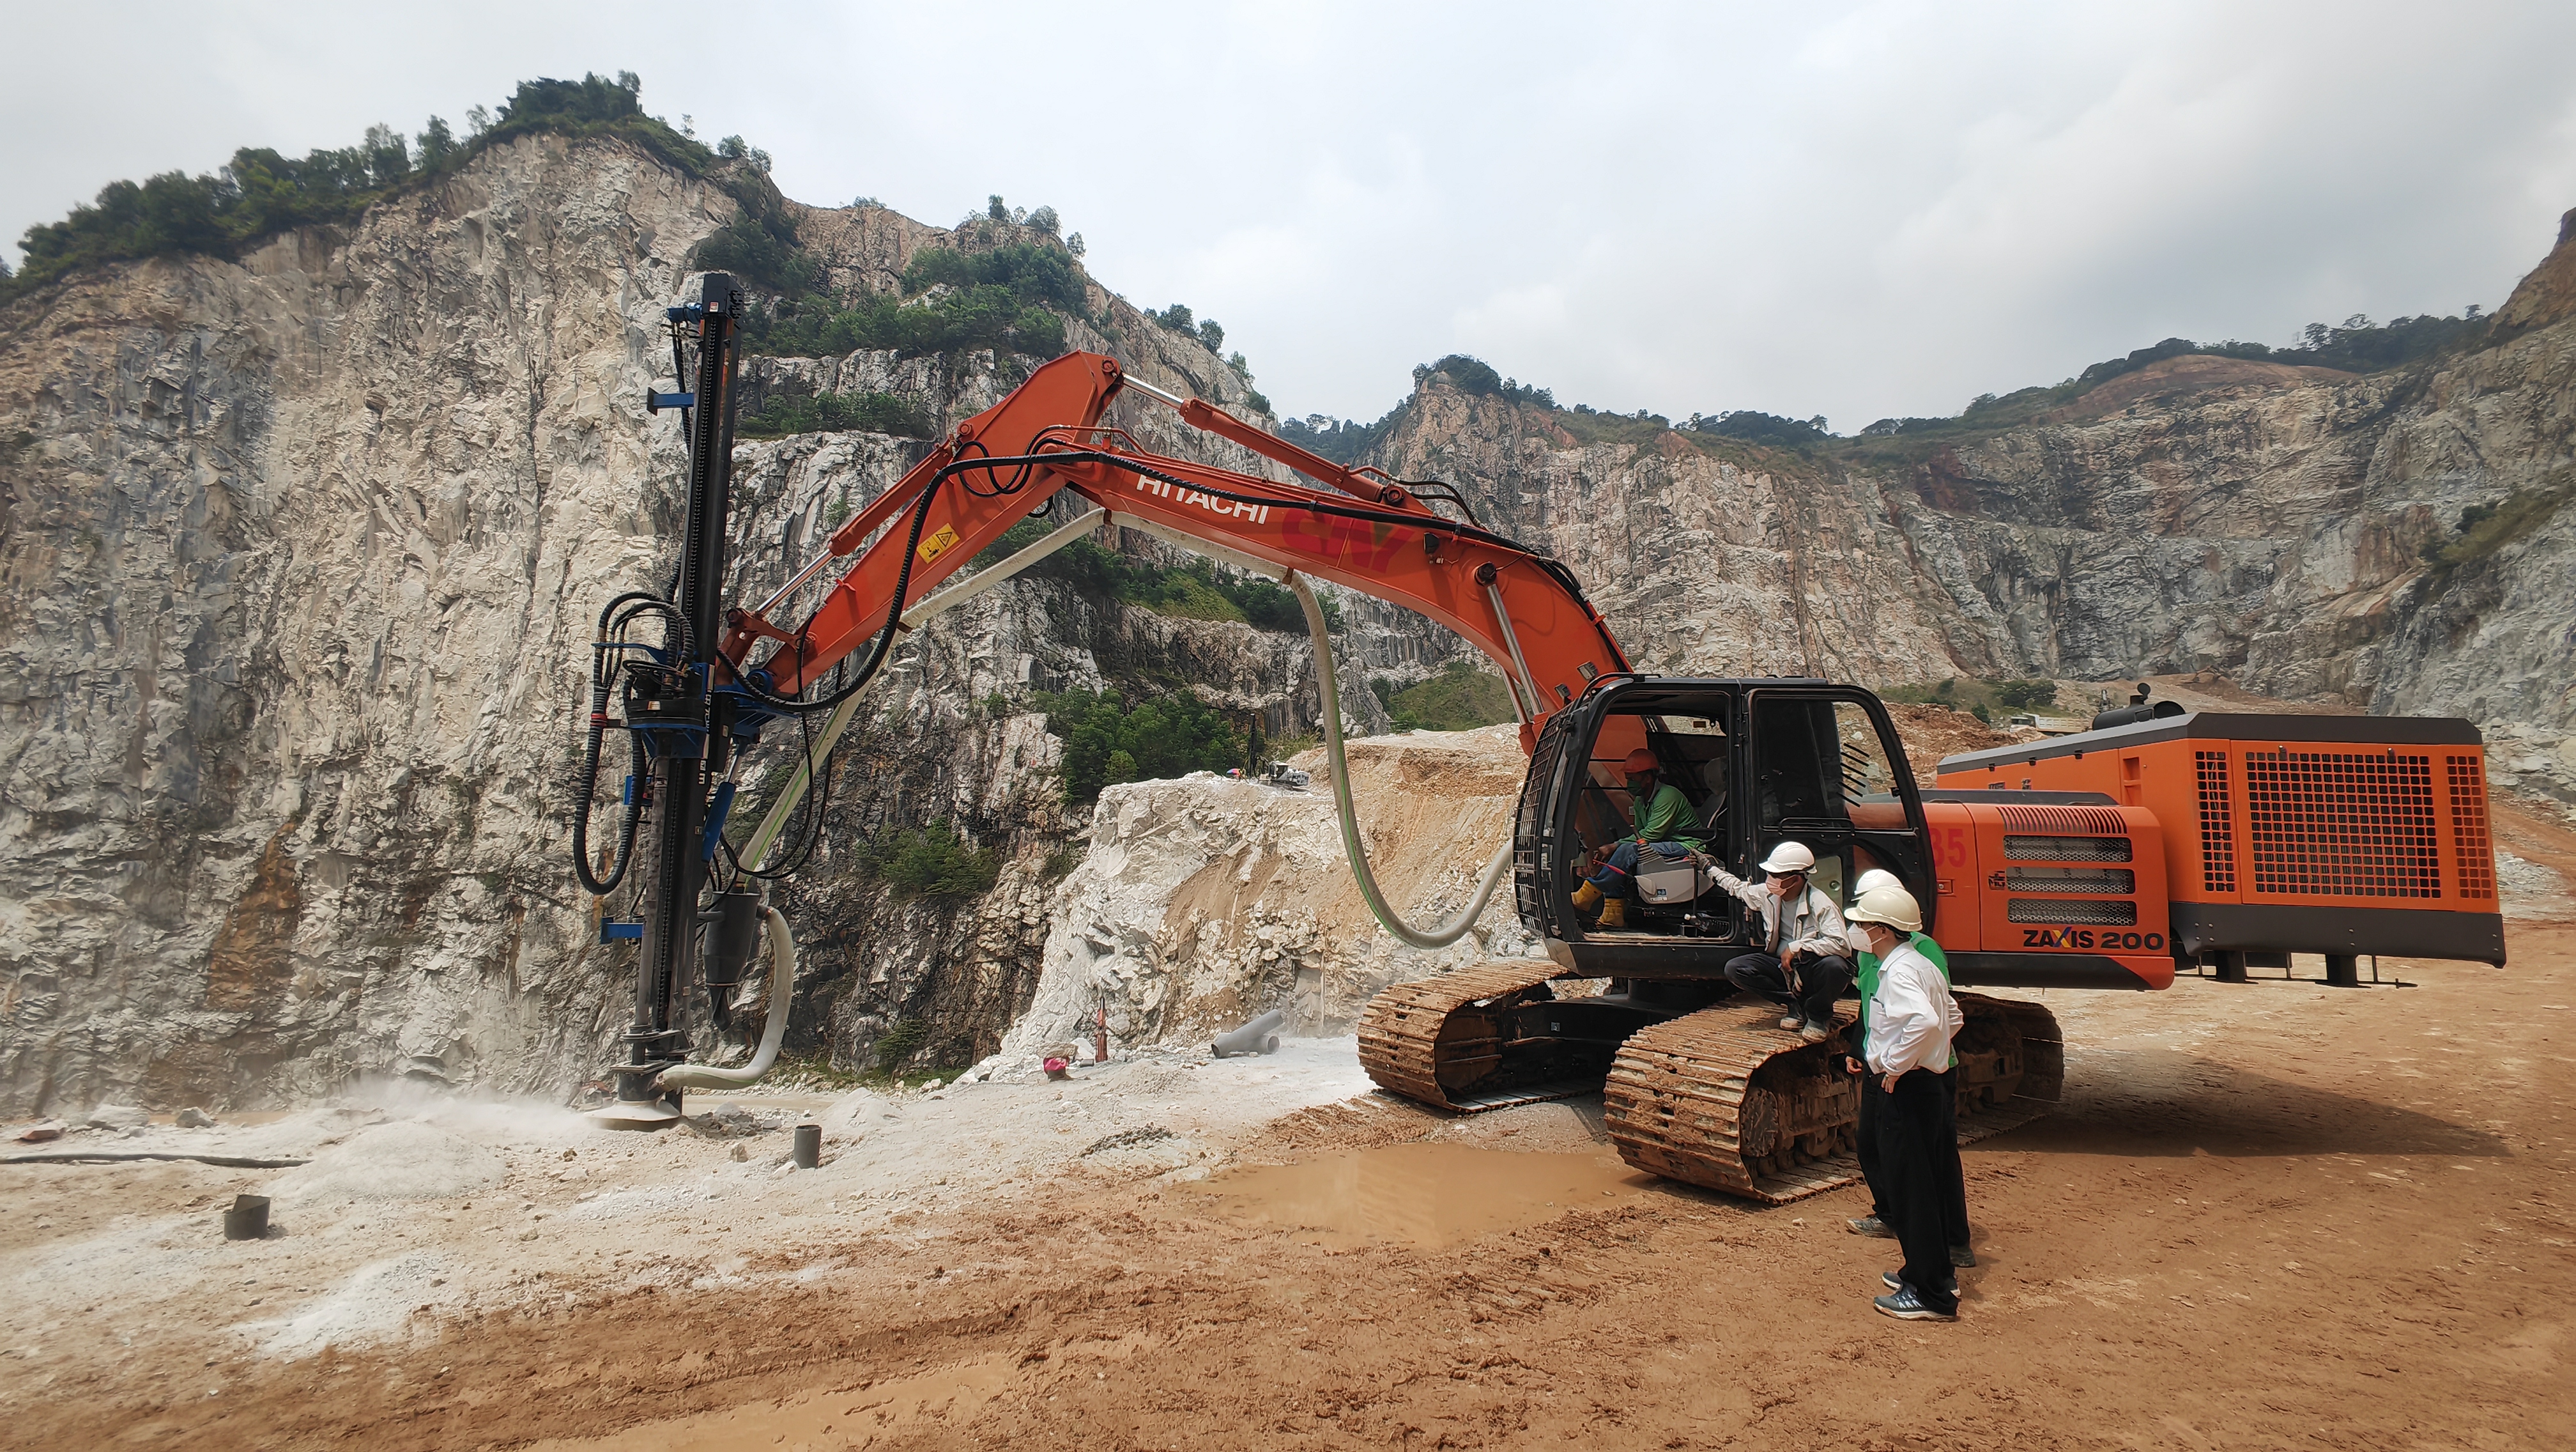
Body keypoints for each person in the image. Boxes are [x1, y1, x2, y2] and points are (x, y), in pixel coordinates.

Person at [1841, 869, 1973, 1269]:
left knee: (1933, 1158)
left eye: (1864, 921)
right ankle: (1894, 1216)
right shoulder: (1873, 954)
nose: (1858, 928)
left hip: (1919, 1070)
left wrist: (1900, 1062)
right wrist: (1860, 1047)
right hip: (1890, 1064)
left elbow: (1935, 1014)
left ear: (1884, 923)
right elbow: (1873, 1005)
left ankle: (1951, 1243)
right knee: (1875, 1145)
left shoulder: (1918, 955)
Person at [1709, 842, 1851, 1041]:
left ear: (1796, 879)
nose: (1770, 880)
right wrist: (1709, 869)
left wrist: (1797, 947)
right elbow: (1738, 889)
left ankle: (1819, 1016)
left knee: (1836, 966)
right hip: (1782, 968)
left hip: (1808, 968)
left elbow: (1841, 944)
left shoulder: (1821, 904)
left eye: (1776, 876)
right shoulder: (1768, 895)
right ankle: (1794, 1004)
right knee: (1736, 968)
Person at [1569, 748, 1705, 931]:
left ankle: (1587, 896)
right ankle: (1613, 915)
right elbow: (1641, 834)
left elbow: (1650, 835)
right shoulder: (1641, 802)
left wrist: (1614, 846)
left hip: (1686, 846)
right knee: (1621, 852)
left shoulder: (1668, 796)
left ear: (1648, 778)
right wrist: (1615, 848)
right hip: (1664, 846)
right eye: (1628, 778)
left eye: (1633, 778)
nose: (1629, 783)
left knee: (1626, 850)